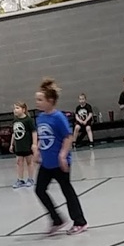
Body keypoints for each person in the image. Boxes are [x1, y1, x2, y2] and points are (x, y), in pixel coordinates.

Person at [34, 78, 88, 235]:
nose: (37, 103)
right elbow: (42, 136)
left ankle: (80, 222)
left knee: (67, 191)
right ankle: (56, 219)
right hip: (46, 163)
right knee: (39, 190)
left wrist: (63, 155)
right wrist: (37, 150)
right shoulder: (41, 117)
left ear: (50, 101)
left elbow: (67, 137)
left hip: (59, 163)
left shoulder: (58, 117)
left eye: (40, 100)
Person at [9, 101, 37, 189]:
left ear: (23, 109)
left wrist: (34, 144)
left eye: (17, 108)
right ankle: (20, 179)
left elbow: (34, 132)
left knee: (29, 162)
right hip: (19, 146)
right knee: (19, 162)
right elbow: (14, 133)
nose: (15, 110)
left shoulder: (28, 120)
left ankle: (30, 179)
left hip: (27, 145)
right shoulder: (15, 120)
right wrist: (11, 144)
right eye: (14, 108)